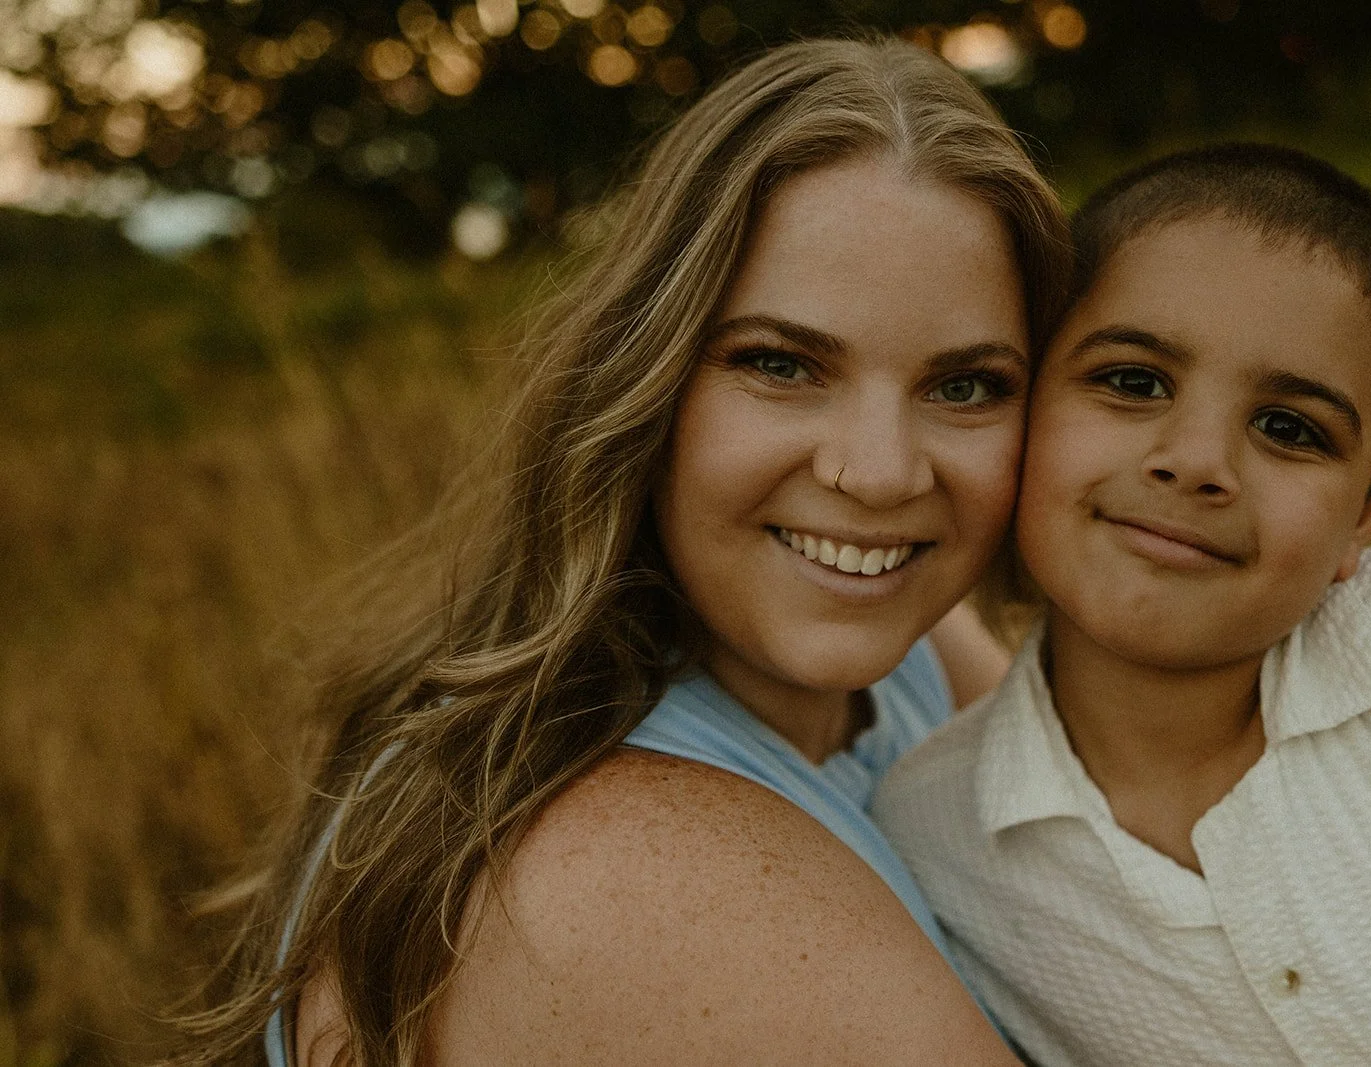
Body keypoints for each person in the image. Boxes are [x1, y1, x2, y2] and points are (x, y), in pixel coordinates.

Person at [175, 37, 1074, 1066]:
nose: (879, 476)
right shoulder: (648, 873)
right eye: (780, 363)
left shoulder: (904, 661)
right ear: (644, 381)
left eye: (965, 386)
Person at [873, 144, 1371, 1064]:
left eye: (1289, 428)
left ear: (1368, 513)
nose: (1197, 460)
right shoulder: (931, 843)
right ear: (1023, 407)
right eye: (1133, 381)